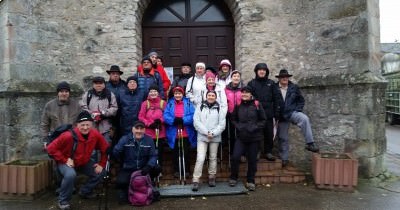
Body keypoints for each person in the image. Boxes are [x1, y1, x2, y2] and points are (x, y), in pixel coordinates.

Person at [47, 111, 110, 210]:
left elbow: (105, 149)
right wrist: (64, 159)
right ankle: (63, 201)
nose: (85, 128)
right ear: (77, 125)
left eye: (88, 125)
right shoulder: (67, 136)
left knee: (101, 172)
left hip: (83, 162)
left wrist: (101, 164)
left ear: (92, 124)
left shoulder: (95, 134)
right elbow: (50, 148)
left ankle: (85, 192)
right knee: (70, 175)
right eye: (82, 125)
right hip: (66, 162)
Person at [274, 69, 319, 167]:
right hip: (281, 116)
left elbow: (301, 100)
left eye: (286, 77)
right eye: (283, 77)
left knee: (304, 119)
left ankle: (310, 143)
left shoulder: (294, 87)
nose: (285, 78)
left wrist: (297, 110)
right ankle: (284, 158)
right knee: (283, 138)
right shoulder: (274, 88)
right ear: (279, 79)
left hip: (292, 112)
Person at [112, 120, 160, 204]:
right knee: (121, 182)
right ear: (132, 129)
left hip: (143, 168)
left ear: (144, 130)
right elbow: (116, 151)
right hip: (128, 168)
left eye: (141, 129)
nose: (139, 131)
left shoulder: (149, 140)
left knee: (157, 168)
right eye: (137, 128)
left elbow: (153, 155)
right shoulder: (125, 139)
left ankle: (147, 183)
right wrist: (115, 151)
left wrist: (148, 166)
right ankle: (127, 191)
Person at [229, 86, 266, 191]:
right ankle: (233, 177)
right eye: (243, 93)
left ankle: (250, 181)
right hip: (241, 137)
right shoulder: (238, 105)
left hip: (254, 137)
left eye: (247, 93)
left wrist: (255, 127)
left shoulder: (257, 105)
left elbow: (263, 120)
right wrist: (238, 126)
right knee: (235, 157)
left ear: (251, 94)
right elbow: (233, 119)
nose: (244, 94)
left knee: (252, 160)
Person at [192, 90, 226, 191]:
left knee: (213, 157)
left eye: (213, 95)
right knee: (200, 158)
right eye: (209, 95)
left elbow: (222, 124)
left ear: (215, 97)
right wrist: (206, 132)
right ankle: (196, 180)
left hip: (214, 137)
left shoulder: (220, 108)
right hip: (202, 137)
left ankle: (212, 177)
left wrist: (213, 133)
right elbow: (196, 122)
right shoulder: (200, 107)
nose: (211, 97)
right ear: (206, 97)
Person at [247, 63, 281, 161]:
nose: (262, 71)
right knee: (256, 133)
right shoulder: (251, 83)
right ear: (256, 71)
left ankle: (268, 152)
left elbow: (276, 99)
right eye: (260, 70)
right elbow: (249, 98)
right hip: (256, 113)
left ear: (266, 72)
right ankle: (257, 151)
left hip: (269, 113)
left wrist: (277, 113)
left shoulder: (271, 83)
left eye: (264, 70)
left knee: (269, 134)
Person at [164, 86, 197, 178]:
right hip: (174, 132)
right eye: (176, 94)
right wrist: (173, 120)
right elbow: (166, 115)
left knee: (185, 152)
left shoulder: (188, 103)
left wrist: (183, 120)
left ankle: (186, 170)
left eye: (179, 93)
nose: (177, 95)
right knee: (175, 152)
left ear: (182, 94)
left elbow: (193, 115)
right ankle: (176, 170)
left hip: (185, 132)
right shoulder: (170, 103)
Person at [41, 81, 81, 148]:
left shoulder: (76, 105)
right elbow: (45, 124)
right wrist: (45, 139)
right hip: (55, 138)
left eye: (66, 91)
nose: (64, 94)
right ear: (58, 93)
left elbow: (80, 123)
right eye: (62, 91)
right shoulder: (49, 105)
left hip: (71, 138)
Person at [80, 76, 118, 144]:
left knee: (105, 148)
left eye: (100, 83)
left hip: (106, 128)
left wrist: (103, 113)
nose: (98, 85)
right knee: (92, 150)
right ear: (93, 85)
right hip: (91, 128)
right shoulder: (88, 95)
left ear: (104, 84)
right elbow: (83, 107)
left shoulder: (110, 94)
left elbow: (114, 108)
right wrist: (92, 114)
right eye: (96, 83)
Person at [138, 85, 167, 168]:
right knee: (149, 152)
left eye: (155, 91)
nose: (153, 93)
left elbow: (167, 115)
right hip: (148, 132)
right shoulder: (145, 103)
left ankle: (158, 168)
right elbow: (141, 116)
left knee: (159, 152)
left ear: (158, 93)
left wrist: (160, 121)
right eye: (151, 91)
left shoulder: (163, 103)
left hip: (160, 132)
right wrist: (149, 124)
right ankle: (149, 168)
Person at [105, 65, 126, 143]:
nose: (115, 75)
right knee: (111, 138)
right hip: (110, 117)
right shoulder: (105, 86)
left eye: (117, 73)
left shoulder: (125, 85)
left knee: (122, 138)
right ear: (110, 75)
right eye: (113, 73)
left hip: (122, 115)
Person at [224, 70, 243, 153]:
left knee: (241, 134)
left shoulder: (243, 89)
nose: (236, 78)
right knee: (231, 134)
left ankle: (241, 153)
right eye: (234, 76)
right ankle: (232, 153)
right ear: (231, 78)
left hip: (241, 115)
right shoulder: (226, 89)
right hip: (230, 114)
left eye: (238, 76)